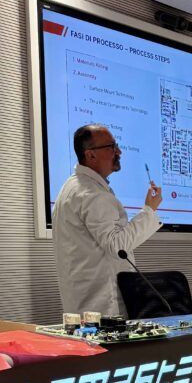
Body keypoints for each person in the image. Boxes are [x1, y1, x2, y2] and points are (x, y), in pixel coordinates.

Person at [52, 124, 163, 316]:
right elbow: (118, 247)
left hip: (87, 302)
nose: (118, 151)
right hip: (103, 307)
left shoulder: (72, 187)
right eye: (111, 147)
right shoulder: (92, 194)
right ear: (91, 155)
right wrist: (149, 210)